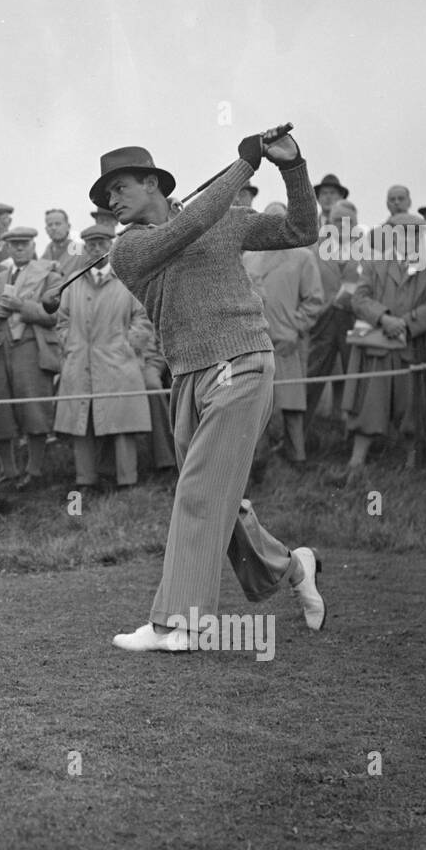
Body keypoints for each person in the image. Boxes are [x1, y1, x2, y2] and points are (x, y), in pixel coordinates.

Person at [94, 133, 326, 653]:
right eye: (106, 194)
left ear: (151, 182)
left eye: (119, 187)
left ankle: (179, 624)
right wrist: (244, 166)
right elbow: (190, 226)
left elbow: (301, 228)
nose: (111, 201)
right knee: (220, 498)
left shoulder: (221, 217)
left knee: (199, 491)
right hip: (187, 378)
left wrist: (293, 168)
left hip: (241, 361)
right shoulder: (127, 249)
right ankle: (292, 567)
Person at [339, 213, 426, 481]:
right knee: (369, 404)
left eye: (414, 233)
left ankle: (410, 462)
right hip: (378, 346)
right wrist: (384, 318)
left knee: (411, 407)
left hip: (411, 348)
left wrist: (405, 323)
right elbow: (359, 300)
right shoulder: (375, 264)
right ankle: (357, 460)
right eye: (401, 232)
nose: (408, 238)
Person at [54, 226, 152, 490]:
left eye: (101, 244)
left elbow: (143, 318)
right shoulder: (73, 281)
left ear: (111, 246)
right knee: (82, 425)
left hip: (117, 362)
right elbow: (61, 321)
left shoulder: (128, 279)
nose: (96, 250)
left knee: (122, 424)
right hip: (80, 363)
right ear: (84, 248)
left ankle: (127, 481)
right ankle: (86, 481)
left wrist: (128, 345)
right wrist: (69, 343)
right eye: (91, 245)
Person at [0, 228, 62, 488]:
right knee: (0, 410)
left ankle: (35, 470)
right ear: (6, 247)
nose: (18, 248)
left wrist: (20, 307)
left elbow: (53, 317)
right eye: (13, 244)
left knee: (34, 409)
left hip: (31, 348)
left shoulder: (49, 275)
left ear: (33, 245)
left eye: (24, 244)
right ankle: (9, 470)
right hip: (0, 348)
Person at [243, 241, 325, 468]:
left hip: (289, 341)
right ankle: (258, 457)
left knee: (293, 402)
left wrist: (295, 328)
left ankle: (297, 455)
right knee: (258, 403)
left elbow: (314, 300)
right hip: (255, 341)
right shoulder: (250, 256)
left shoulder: (303, 257)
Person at [305, 200, 363, 431]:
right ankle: (298, 438)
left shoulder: (368, 252)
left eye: (347, 220)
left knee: (356, 379)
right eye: (336, 220)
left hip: (354, 321)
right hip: (322, 322)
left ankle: (354, 435)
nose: (341, 225)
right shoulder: (314, 250)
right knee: (311, 378)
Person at [41, 208, 84, 275]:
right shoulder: (44, 257)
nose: (54, 228)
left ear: (68, 226)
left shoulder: (79, 250)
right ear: (46, 229)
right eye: (50, 225)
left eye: (58, 224)